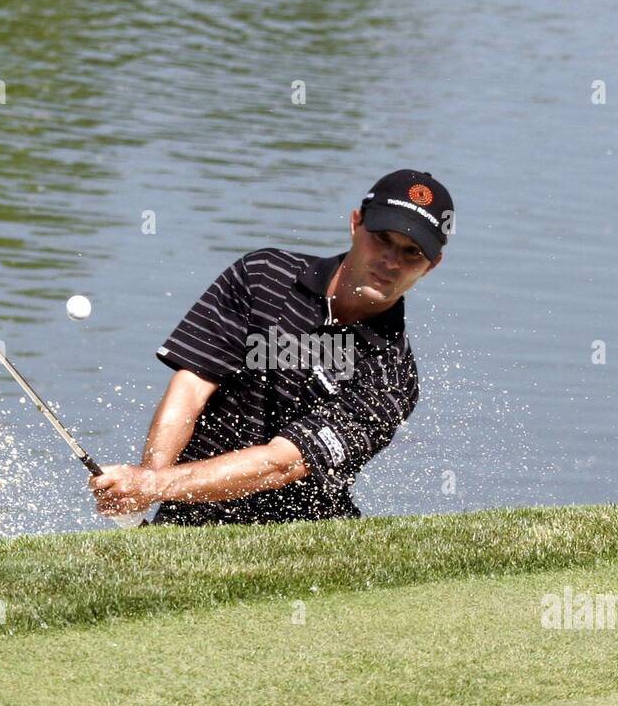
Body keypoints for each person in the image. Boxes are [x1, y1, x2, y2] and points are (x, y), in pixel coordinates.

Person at [89, 169, 454, 526]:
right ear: (356, 223)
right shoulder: (263, 277)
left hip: (299, 539)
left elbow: (283, 462)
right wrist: (145, 487)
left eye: (412, 253)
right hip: (185, 509)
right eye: (383, 239)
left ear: (432, 265)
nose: (391, 262)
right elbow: (192, 387)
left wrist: (152, 486)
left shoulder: (392, 379)